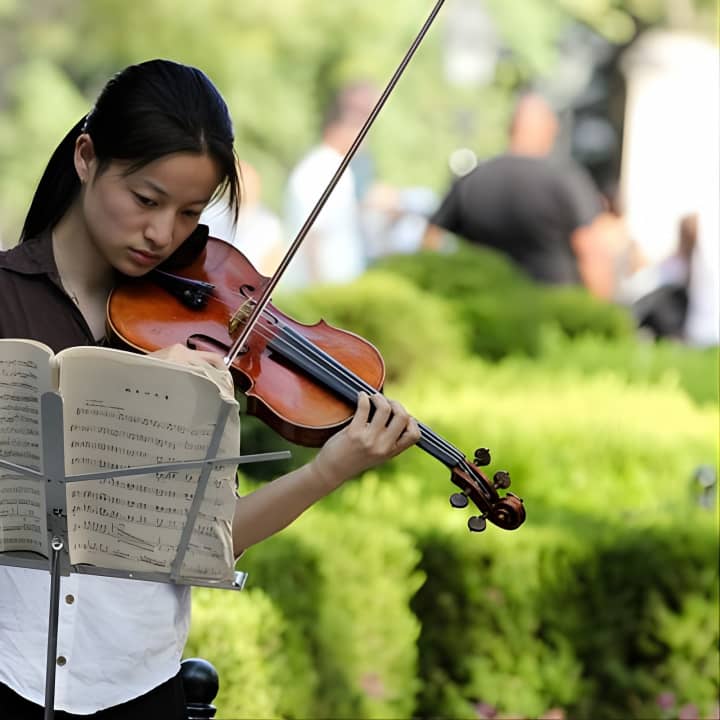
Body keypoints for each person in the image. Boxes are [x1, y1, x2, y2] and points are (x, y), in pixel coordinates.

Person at [0, 59, 421, 719]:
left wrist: (332, 469)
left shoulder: (201, 337)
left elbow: (215, 537)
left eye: (190, 212)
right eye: (146, 199)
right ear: (86, 157)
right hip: (8, 673)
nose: (164, 234)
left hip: (138, 689)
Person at [422, 93, 603, 285]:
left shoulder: (473, 178)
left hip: (483, 301)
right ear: (549, 130)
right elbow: (590, 249)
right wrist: (602, 309)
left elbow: (431, 240)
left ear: (511, 128)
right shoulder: (566, 179)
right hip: (549, 306)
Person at [282, 89, 368, 289]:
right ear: (335, 129)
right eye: (356, 128)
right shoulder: (320, 168)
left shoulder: (338, 167)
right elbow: (312, 234)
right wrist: (318, 290)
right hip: (319, 289)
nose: (363, 136)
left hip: (338, 285)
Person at [200, 159, 286, 276]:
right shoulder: (212, 213)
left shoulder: (269, 224)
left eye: (248, 183)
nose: (243, 188)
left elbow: (272, 266)